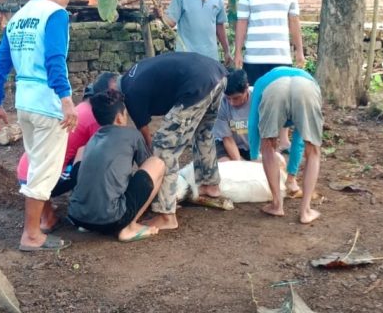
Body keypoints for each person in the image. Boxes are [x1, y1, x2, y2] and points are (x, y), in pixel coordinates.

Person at [0, 0, 77, 252]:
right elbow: (55, 59)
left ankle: (41, 223)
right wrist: (66, 99)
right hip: (47, 103)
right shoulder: (56, 14)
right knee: (44, 172)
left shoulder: (18, 18)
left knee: (38, 165)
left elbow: (0, 63)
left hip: (24, 102)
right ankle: (32, 235)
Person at [93, 52, 227, 230]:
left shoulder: (130, 93)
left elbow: (146, 139)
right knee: (203, 133)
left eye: (108, 99)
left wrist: (151, 169)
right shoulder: (133, 76)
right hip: (217, 74)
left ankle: (166, 214)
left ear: (111, 88)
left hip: (196, 85)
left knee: (164, 148)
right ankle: (211, 186)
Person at [68, 90, 165, 242]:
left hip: (77, 216)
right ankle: (129, 228)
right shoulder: (132, 135)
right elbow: (146, 165)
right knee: (156, 164)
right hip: (112, 219)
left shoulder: (93, 139)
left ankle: (87, 221)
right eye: (125, 114)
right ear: (120, 118)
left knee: (82, 151)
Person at [15, 80, 102, 233]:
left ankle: (45, 209)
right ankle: (48, 219)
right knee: (87, 158)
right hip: (41, 177)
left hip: (24, 172)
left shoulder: (78, 109)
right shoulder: (95, 118)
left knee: (62, 156)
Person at [248, 67, 324, 224]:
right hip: (306, 88)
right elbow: (299, 139)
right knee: (313, 150)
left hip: (274, 89)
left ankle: (277, 205)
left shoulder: (261, 82)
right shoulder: (310, 80)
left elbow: (253, 122)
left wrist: (254, 154)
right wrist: (292, 174)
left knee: (268, 145)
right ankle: (306, 211)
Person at [233, 0, 305, 84]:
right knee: (255, 97)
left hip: (281, 58)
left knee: (281, 98)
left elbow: (294, 22)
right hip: (254, 59)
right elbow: (242, 23)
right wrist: (238, 52)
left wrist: (299, 51)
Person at [213, 69, 252, 161]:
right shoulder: (219, 102)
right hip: (226, 143)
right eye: (228, 98)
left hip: (252, 146)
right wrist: (239, 163)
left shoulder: (259, 99)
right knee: (225, 165)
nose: (232, 103)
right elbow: (227, 138)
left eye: (236, 98)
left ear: (247, 88)